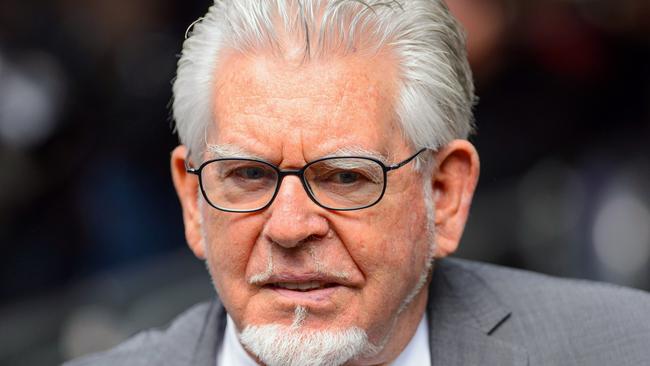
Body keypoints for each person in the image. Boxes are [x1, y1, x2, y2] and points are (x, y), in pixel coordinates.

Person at [65, 0, 650, 365]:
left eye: (345, 176)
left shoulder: (623, 347)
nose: (290, 226)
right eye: (246, 174)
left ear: (443, 196)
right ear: (193, 200)